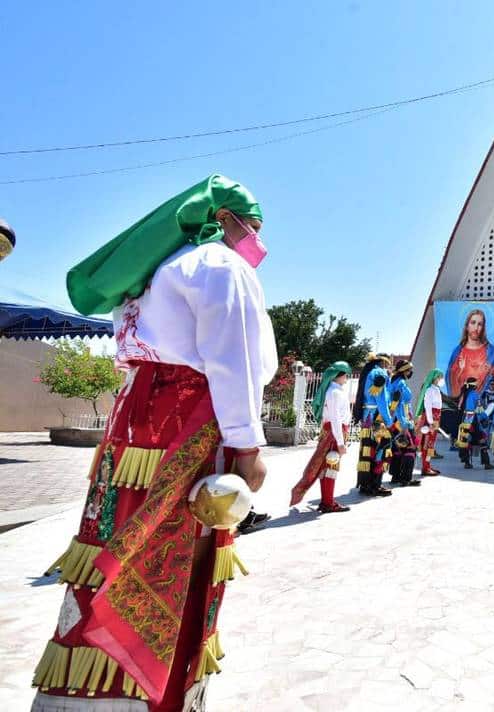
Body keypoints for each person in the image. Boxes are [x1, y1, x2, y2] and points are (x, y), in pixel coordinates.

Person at [36, 175, 276, 710]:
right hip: (187, 427)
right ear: (228, 219)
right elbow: (231, 360)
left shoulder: (151, 273)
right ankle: (160, 695)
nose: (257, 241)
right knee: (180, 554)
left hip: (135, 433)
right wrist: (247, 449)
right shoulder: (219, 266)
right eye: (253, 228)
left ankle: (87, 693)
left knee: (116, 541)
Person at [291, 361, 353, 514]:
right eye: (345, 375)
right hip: (334, 432)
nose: (346, 378)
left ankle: (327, 500)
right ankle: (327, 502)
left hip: (332, 431)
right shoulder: (335, 392)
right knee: (331, 466)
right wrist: (340, 443)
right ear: (338, 375)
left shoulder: (334, 390)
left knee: (327, 466)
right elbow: (335, 419)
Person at [354, 354, 394, 497]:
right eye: (388, 363)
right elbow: (381, 400)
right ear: (383, 362)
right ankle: (375, 485)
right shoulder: (379, 373)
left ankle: (365, 484)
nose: (388, 366)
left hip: (367, 417)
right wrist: (389, 421)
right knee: (381, 449)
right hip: (377, 417)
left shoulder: (368, 372)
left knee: (367, 450)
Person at [446, 308, 494, 396]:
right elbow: (450, 377)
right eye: (473, 323)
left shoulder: (491, 351)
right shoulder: (458, 352)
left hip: (485, 404)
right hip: (463, 403)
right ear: (467, 326)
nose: (476, 328)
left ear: (483, 328)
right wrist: (458, 371)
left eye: (480, 324)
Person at [387, 359, 422, 487]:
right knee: (410, 448)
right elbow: (400, 405)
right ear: (404, 371)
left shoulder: (393, 382)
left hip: (396, 419)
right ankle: (406, 478)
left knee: (397, 448)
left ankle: (396, 476)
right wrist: (405, 424)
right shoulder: (401, 383)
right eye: (409, 370)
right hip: (402, 419)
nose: (411, 372)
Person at [457, 376, 494, 470]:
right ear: (474, 385)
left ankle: (467, 463)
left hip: (465, 420)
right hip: (474, 421)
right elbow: (479, 410)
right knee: (482, 440)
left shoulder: (463, 394)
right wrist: (485, 417)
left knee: (466, 441)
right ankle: (486, 463)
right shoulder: (475, 394)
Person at [415, 369, 445, 476]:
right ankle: (425, 467)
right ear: (434, 378)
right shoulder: (429, 390)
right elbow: (428, 407)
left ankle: (427, 465)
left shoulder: (436, 389)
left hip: (435, 418)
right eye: (439, 377)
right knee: (427, 443)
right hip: (431, 418)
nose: (441, 380)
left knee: (432, 443)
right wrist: (431, 422)